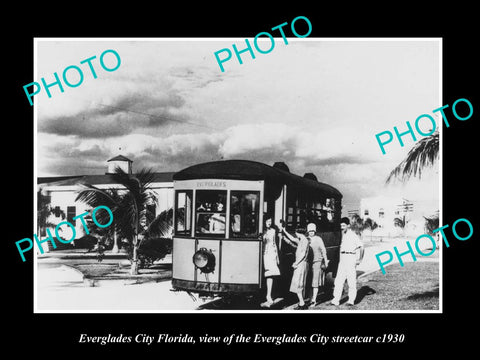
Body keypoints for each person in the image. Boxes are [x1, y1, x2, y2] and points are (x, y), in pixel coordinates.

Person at [330, 217, 364, 306]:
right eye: (341, 225)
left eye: (344, 225)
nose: (342, 227)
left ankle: (351, 300)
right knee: (338, 280)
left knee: (351, 280)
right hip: (343, 259)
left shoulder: (353, 235)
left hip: (350, 258)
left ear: (348, 225)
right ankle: (336, 300)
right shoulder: (344, 235)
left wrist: (360, 259)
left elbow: (362, 247)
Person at [282, 225, 310, 310]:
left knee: (298, 284)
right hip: (300, 264)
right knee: (297, 284)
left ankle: (302, 304)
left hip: (301, 264)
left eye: (296, 233)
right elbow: (292, 239)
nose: (295, 234)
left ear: (299, 233)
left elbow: (303, 253)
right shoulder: (302, 240)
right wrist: (284, 231)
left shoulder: (304, 241)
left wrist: (296, 263)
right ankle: (301, 303)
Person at [306, 223, 329, 307]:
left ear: (315, 231)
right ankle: (310, 298)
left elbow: (323, 250)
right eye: (309, 231)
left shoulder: (318, 239)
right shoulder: (306, 239)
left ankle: (314, 300)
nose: (311, 232)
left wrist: (326, 261)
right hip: (309, 263)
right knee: (309, 282)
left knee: (315, 282)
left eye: (312, 231)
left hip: (317, 262)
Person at [261, 216, 280, 306]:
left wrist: (277, 257)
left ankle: (268, 295)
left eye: (270, 221)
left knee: (270, 274)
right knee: (266, 274)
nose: (269, 223)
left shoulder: (273, 231)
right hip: (263, 253)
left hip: (271, 254)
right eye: (267, 221)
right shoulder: (261, 230)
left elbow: (274, 243)